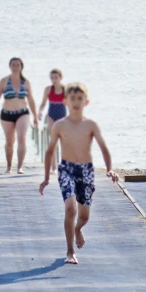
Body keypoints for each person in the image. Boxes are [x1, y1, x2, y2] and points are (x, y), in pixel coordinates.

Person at [39, 82, 118, 265]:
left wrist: (109, 169)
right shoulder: (59, 125)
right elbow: (50, 151)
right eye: (72, 98)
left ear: (86, 102)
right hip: (66, 169)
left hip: (86, 171)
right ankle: (70, 251)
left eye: (79, 99)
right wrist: (45, 178)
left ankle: (77, 229)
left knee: (84, 217)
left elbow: (103, 147)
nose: (76, 102)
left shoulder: (91, 125)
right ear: (65, 101)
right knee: (70, 208)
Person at [0, 57, 38, 174]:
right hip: (7, 114)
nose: (16, 67)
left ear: (21, 66)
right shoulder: (4, 81)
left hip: (22, 113)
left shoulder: (25, 82)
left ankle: (20, 167)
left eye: (18, 65)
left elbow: (31, 100)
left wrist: (35, 116)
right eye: (13, 65)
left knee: (21, 138)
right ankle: (9, 166)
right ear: (10, 66)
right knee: (9, 141)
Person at [38, 68, 66, 174]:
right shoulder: (48, 89)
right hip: (51, 116)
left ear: (61, 77)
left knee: (64, 142)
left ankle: (64, 166)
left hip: (63, 117)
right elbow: (43, 104)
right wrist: (40, 112)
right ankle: (54, 167)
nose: (54, 80)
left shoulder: (65, 89)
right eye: (52, 78)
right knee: (53, 142)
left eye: (56, 78)